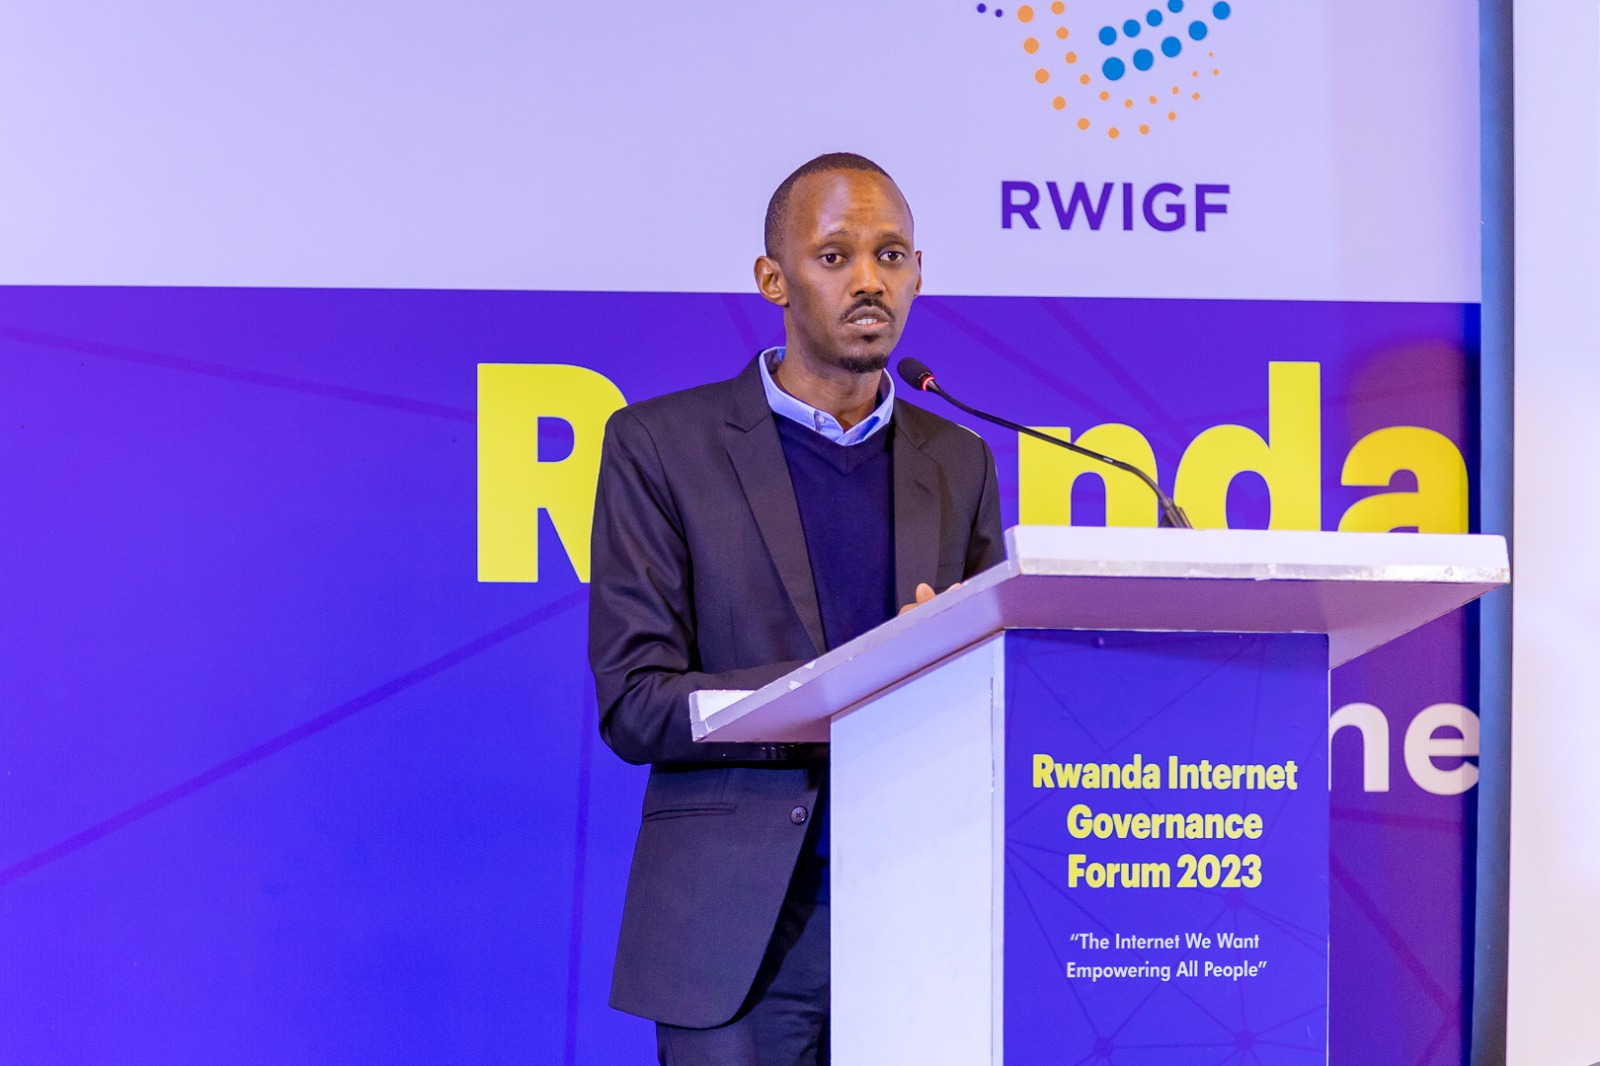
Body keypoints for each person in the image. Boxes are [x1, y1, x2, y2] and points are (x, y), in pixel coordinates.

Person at [587, 152, 1005, 1065]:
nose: (870, 281)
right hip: (734, 934)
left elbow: (994, 696)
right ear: (773, 279)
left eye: (891, 256)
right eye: (835, 256)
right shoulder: (660, 446)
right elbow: (636, 702)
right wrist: (852, 686)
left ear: (920, 275)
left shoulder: (959, 461)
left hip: (923, 917)